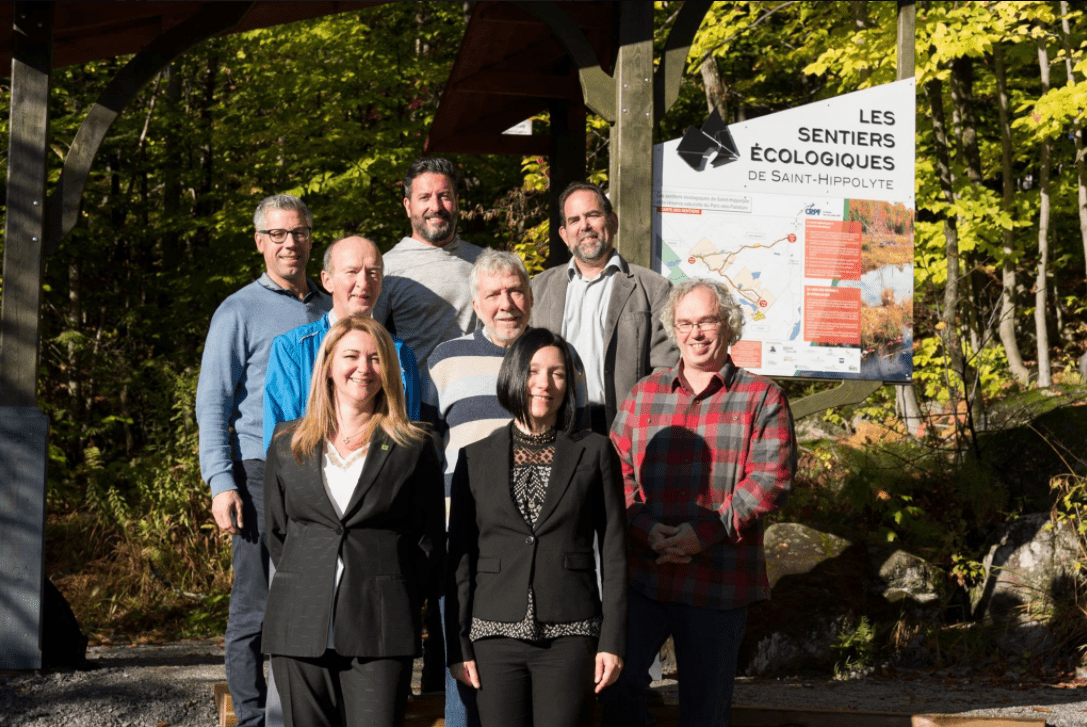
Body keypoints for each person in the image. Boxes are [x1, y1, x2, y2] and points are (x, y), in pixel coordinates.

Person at [601, 279, 796, 727]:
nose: (696, 332)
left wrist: (703, 534)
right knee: (617, 686)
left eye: (706, 320)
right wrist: (644, 528)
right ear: (673, 328)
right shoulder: (644, 393)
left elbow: (770, 481)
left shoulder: (762, 397)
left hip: (719, 582)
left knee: (705, 712)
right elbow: (615, 471)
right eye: (685, 322)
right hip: (644, 576)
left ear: (728, 325)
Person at [423, 249, 587, 727]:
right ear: (476, 302)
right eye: (493, 293)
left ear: (531, 297)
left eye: (515, 290)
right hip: (466, 540)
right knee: (464, 670)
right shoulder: (445, 360)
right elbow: (428, 450)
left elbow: (581, 444)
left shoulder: (560, 359)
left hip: (544, 546)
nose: (506, 302)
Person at [262, 316, 444, 727]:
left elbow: (429, 540)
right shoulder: (287, 443)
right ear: (328, 365)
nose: (364, 368)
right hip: (299, 622)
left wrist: (392, 586)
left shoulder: (413, 446)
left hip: (381, 624)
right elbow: (277, 533)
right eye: (352, 356)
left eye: (376, 358)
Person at [445, 328, 628, 727]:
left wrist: (612, 641)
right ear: (514, 375)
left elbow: (614, 550)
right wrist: (457, 646)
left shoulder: (594, 451)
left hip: (571, 633)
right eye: (533, 371)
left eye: (558, 374)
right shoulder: (474, 457)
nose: (544, 384)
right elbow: (460, 559)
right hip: (493, 636)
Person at [196, 194, 330, 727]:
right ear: (260, 242)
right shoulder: (238, 310)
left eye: (297, 232)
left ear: (310, 238)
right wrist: (220, 480)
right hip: (257, 470)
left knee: (317, 595)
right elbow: (212, 402)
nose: (289, 243)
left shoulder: (330, 307)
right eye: (277, 234)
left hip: (325, 468)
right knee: (254, 601)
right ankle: (251, 717)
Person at [530, 181, 676, 434]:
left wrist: (642, 423)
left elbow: (666, 368)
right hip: (553, 426)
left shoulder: (654, 288)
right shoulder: (538, 289)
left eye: (593, 215)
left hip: (624, 427)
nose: (584, 226)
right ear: (564, 234)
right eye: (574, 220)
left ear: (613, 222)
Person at [263, 235, 421, 454]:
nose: (364, 283)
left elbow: (409, 441)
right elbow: (279, 446)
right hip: (312, 480)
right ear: (327, 281)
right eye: (352, 272)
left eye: (373, 272)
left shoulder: (400, 354)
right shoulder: (293, 350)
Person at [372, 157, 484, 370]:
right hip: (417, 401)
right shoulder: (386, 269)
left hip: (477, 396)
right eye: (425, 197)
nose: (436, 206)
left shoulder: (484, 261)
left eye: (444, 196)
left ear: (457, 202)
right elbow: (370, 345)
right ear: (408, 206)